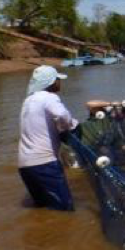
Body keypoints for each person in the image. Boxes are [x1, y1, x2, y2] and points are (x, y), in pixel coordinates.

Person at [18, 65, 79, 211]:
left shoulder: (28, 101)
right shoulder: (49, 97)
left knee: (43, 209)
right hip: (44, 163)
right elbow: (63, 116)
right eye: (58, 79)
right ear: (51, 82)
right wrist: (71, 127)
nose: (60, 82)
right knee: (65, 210)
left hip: (25, 166)